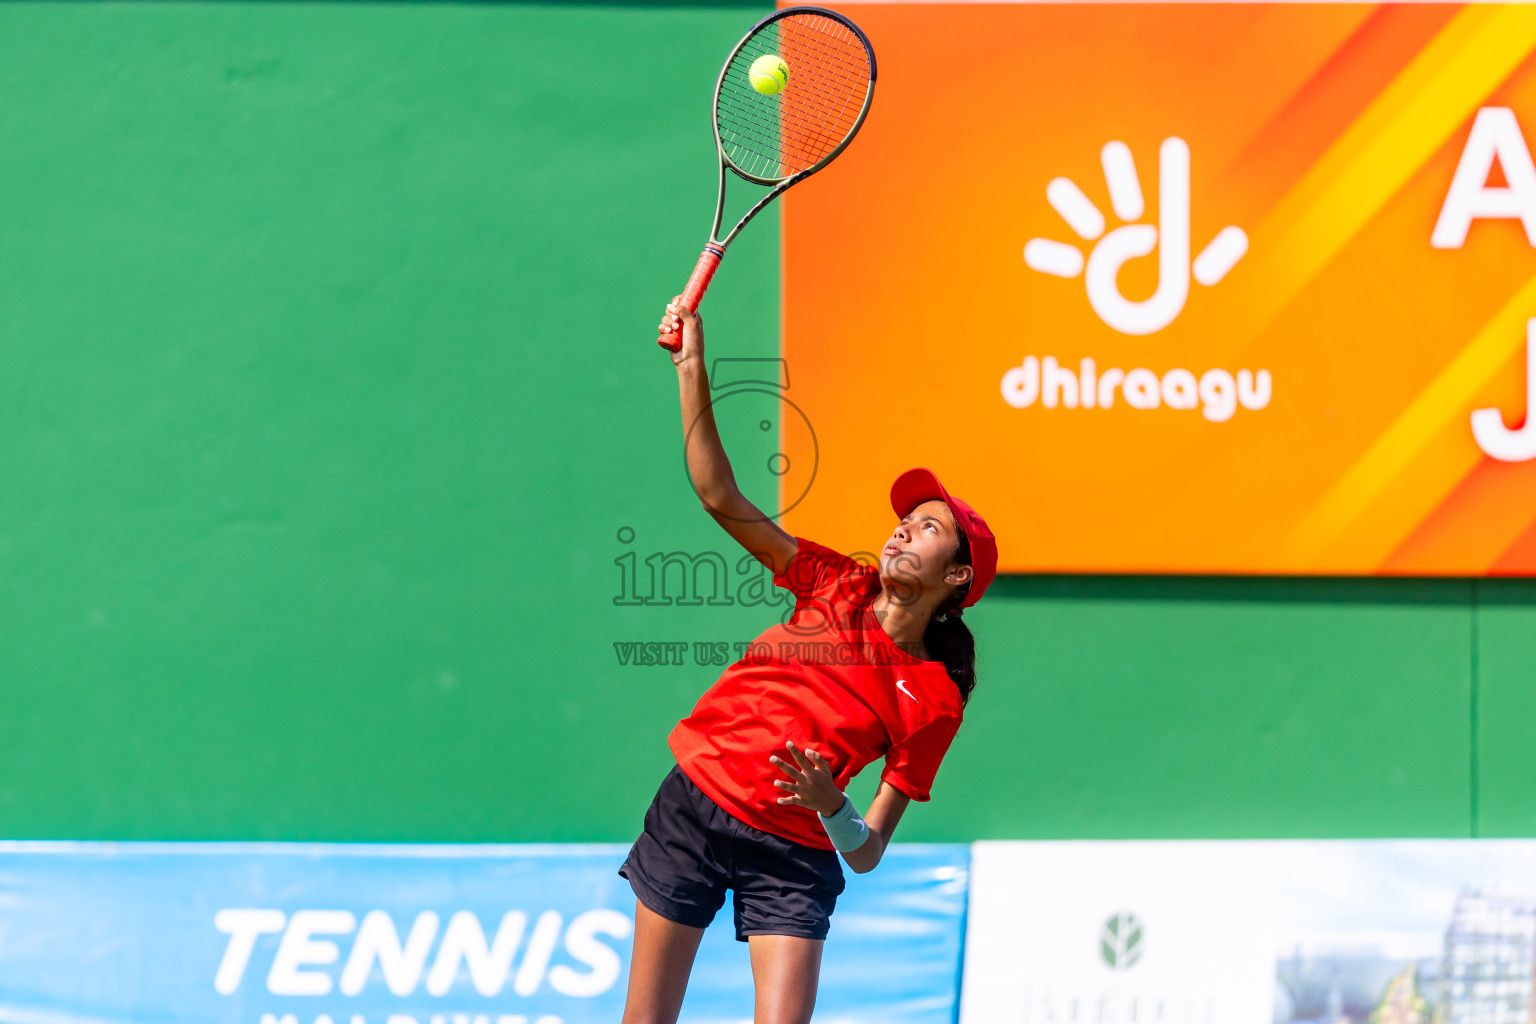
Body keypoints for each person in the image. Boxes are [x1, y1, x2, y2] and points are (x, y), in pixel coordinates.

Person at [620, 298, 999, 1024]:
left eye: (927, 530)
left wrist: (833, 805)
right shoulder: (834, 581)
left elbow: (867, 852)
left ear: (956, 578)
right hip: (696, 806)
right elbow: (717, 494)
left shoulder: (936, 699)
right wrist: (692, 363)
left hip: (791, 855)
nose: (901, 532)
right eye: (903, 521)